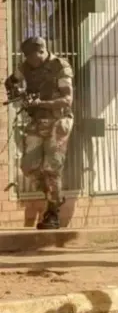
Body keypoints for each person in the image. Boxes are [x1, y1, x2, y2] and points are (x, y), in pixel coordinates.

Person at [4, 37, 74, 229]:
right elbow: (10, 82)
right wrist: (19, 94)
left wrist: (40, 103)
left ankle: (53, 214)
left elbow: (67, 100)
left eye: (32, 56)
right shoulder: (26, 66)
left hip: (59, 120)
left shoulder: (60, 67)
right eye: (27, 57)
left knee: (52, 168)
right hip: (37, 120)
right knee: (29, 167)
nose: (30, 61)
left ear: (42, 52)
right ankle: (55, 196)